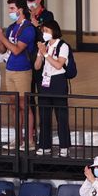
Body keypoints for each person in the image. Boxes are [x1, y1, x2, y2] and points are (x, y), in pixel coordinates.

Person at [0, 0, 36, 151]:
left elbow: (17, 50)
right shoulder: (11, 27)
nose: (9, 11)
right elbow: (3, 49)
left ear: (20, 9)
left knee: (25, 105)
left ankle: (29, 140)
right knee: (14, 106)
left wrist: (2, 37)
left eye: (12, 8)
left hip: (22, 71)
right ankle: (18, 139)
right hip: (9, 69)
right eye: (9, 8)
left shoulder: (28, 28)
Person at [34, 19, 71, 157]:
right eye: (43, 31)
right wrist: (40, 54)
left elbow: (58, 65)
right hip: (45, 80)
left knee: (61, 115)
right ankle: (44, 145)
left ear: (54, 31)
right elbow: (37, 66)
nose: (44, 33)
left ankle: (64, 146)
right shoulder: (44, 45)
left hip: (58, 81)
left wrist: (45, 54)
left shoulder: (63, 46)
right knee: (44, 115)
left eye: (47, 31)